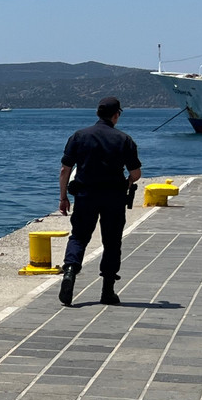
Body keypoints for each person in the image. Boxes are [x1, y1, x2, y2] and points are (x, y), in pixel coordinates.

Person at [58, 96, 142, 305]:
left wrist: (63, 198)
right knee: (112, 242)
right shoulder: (124, 139)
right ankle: (107, 291)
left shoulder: (79, 136)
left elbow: (64, 170)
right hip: (113, 198)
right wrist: (129, 180)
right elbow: (136, 172)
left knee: (78, 237)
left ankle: (69, 271)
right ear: (117, 115)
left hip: (85, 196)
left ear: (98, 113)